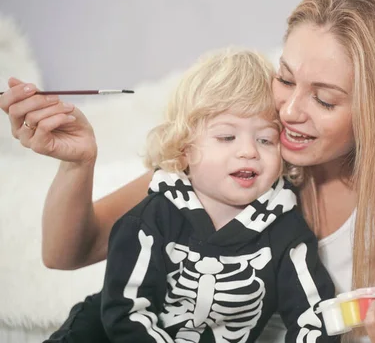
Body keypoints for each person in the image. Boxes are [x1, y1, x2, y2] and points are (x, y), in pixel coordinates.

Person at [1, 0, 375, 343]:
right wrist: (78, 163)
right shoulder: (242, 156)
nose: (288, 112)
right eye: (285, 79)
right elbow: (67, 253)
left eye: (324, 100)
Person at [101, 48, 337, 342]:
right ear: (184, 147)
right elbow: (126, 313)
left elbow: (315, 317)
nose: (248, 151)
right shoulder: (149, 221)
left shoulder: (286, 233)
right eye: (227, 137)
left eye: (265, 139)